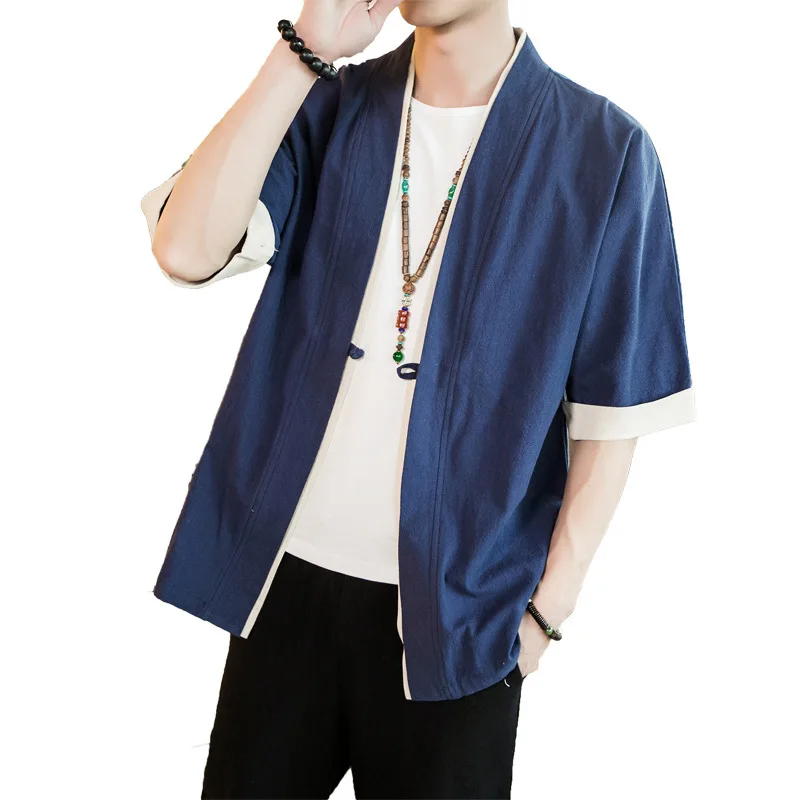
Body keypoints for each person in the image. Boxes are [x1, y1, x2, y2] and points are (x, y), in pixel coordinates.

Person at [141, 1, 696, 797]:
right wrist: (303, 53)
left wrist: (544, 616)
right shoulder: (330, 105)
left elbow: (616, 414)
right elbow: (184, 248)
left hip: (465, 613)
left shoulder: (605, 153)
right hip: (283, 586)